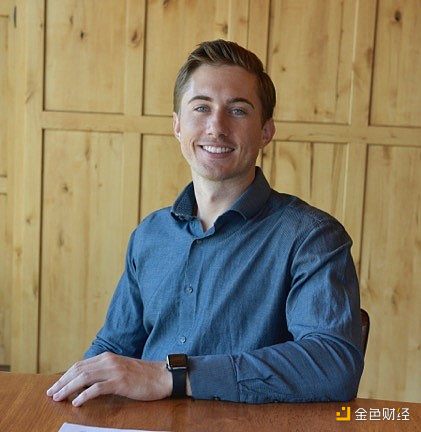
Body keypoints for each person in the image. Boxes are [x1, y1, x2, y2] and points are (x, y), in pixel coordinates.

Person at [47, 39, 363, 407]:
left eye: (238, 110)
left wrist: (174, 376)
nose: (216, 127)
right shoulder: (150, 235)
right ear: (177, 126)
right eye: (201, 108)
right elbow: (115, 347)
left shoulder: (312, 237)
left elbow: (333, 365)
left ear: (265, 131)